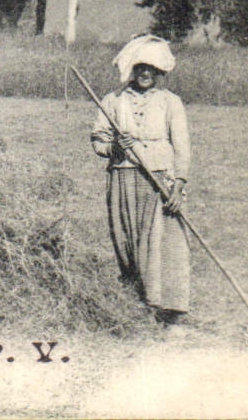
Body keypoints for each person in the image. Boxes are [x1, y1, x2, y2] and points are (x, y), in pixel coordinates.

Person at [90, 34, 191, 329]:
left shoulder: (170, 103)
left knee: (160, 242)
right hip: (122, 176)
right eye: (139, 67)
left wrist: (179, 184)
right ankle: (135, 306)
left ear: (159, 71)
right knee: (126, 239)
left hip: (159, 180)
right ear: (132, 69)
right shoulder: (113, 100)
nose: (145, 73)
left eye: (151, 68)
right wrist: (115, 149)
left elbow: (182, 147)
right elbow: (99, 142)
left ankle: (167, 310)